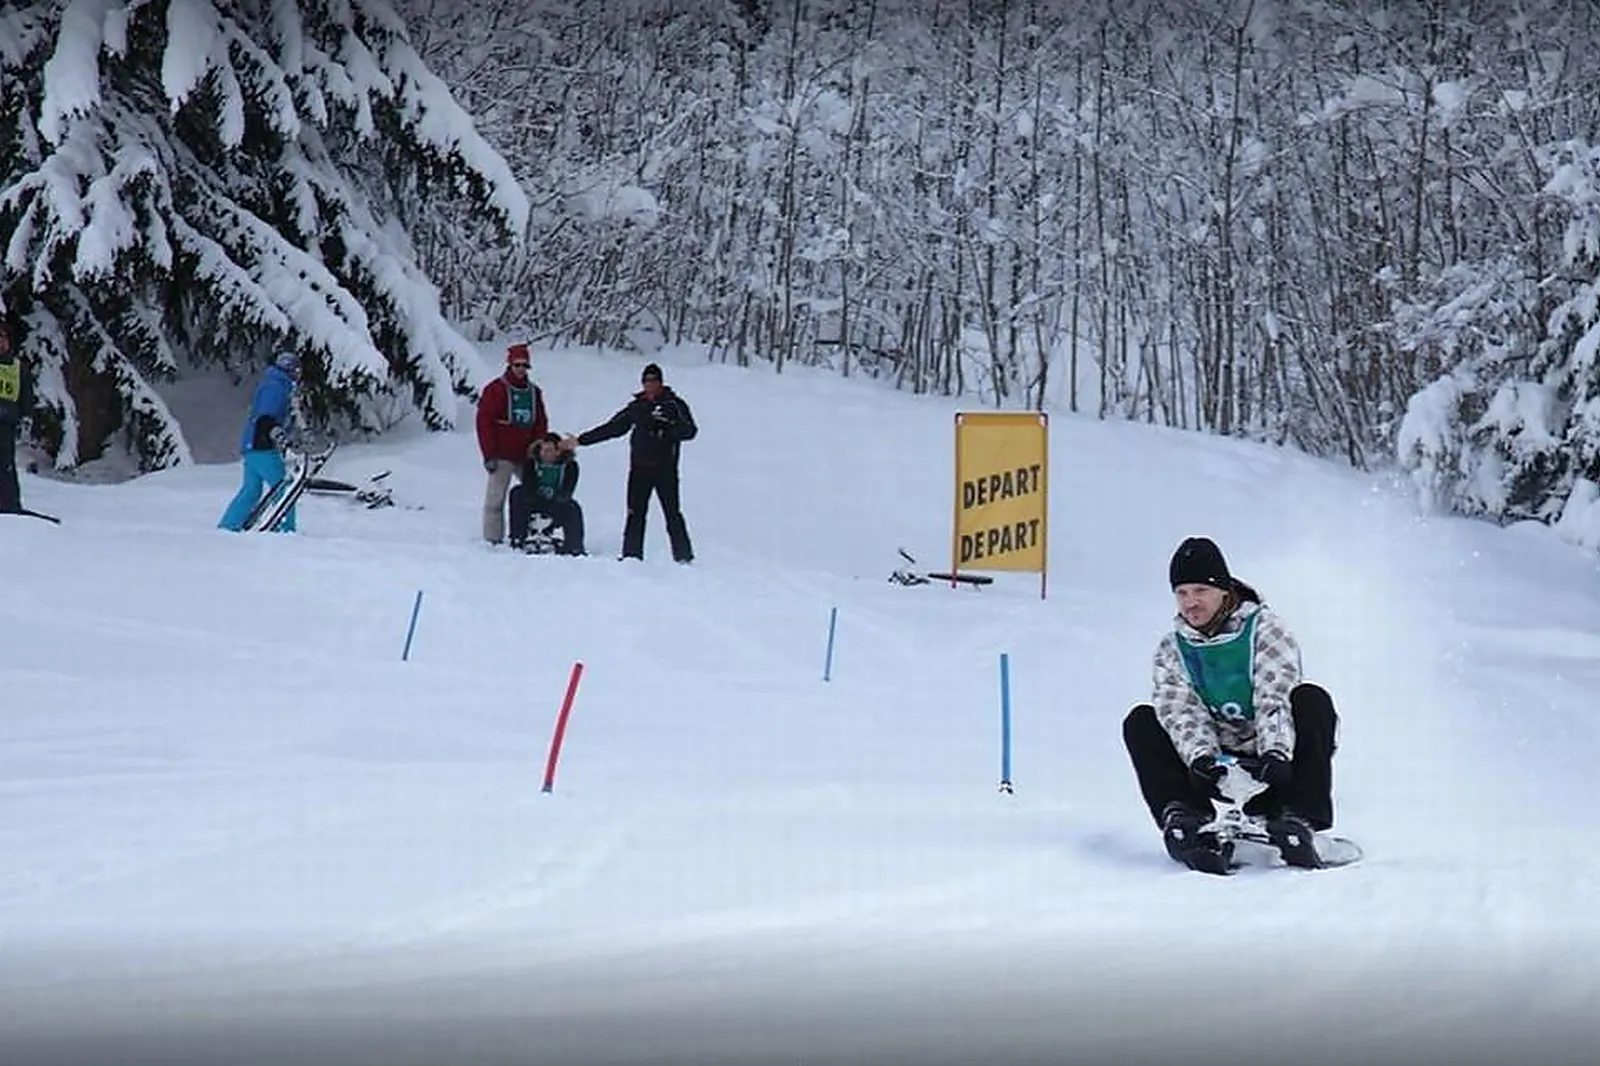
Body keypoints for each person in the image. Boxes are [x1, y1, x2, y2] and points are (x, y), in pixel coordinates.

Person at [1121, 536, 1339, 875]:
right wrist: (1201, 758)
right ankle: (1186, 818)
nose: (1191, 602)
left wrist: (1276, 753)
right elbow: (1180, 711)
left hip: (1271, 762)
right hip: (1215, 765)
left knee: (1312, 700)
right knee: (1142, 721)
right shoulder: (1172, 648)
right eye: (1181, 593)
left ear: (1223, 589)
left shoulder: (1265, 629)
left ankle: (1297, 817)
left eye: (1200, 591)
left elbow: (1275, 696)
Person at [562, 362, 696, 563]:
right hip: (639, 467)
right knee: (635, 513)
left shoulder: (674, 405)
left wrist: (666, 430)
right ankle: (631, 556)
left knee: (672, 514)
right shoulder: (637, 407)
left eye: (654, 380)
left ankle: (683, 557)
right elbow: (613, 428)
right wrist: (580, 440)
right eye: (647, 381)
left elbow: (690, 430)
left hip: (665, 468)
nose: (650, 385)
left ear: (661, 382)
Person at [219, 351, 302, 532]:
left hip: (252, 445)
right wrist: (275, 433)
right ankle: (284, 529)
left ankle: (228, 526)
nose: (298, 375)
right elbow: (266, 416)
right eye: (296, 370)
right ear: (289, 369)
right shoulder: (276, 387)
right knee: (285, 487)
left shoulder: (273, 383)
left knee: (251, 490)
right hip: (261, 445)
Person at [476, 342, 548, 544]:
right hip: (502, 454)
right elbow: (484, 423)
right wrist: (489, 454)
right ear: (509, 365)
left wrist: (539, 448)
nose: (521, 369)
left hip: (527, 455)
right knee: (495, 499)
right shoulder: (495, 390)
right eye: (517, 365)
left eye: (524, 366)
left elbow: (541, 421)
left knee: (537, 493)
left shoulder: (534, 392)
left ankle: (534, 532)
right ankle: (492, 539)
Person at [508, 432, 585, 555]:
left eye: (548, 450)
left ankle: (575, 546)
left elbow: (568, 489)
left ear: (557, 452)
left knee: (574, 508)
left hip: (557, 503)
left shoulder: (570, 466)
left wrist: (559, 500)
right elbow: (528, 485)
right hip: (534, 502)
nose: (544, 453)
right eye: (543, 450)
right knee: (517, 493)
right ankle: (518, 538)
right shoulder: (532, 464)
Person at [0, 318, 30, 515]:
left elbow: (26, 394)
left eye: (3, 338)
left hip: (6, 423)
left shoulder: (18, 367)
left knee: (6, 465)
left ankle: (10, 504)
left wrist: (26, 417)